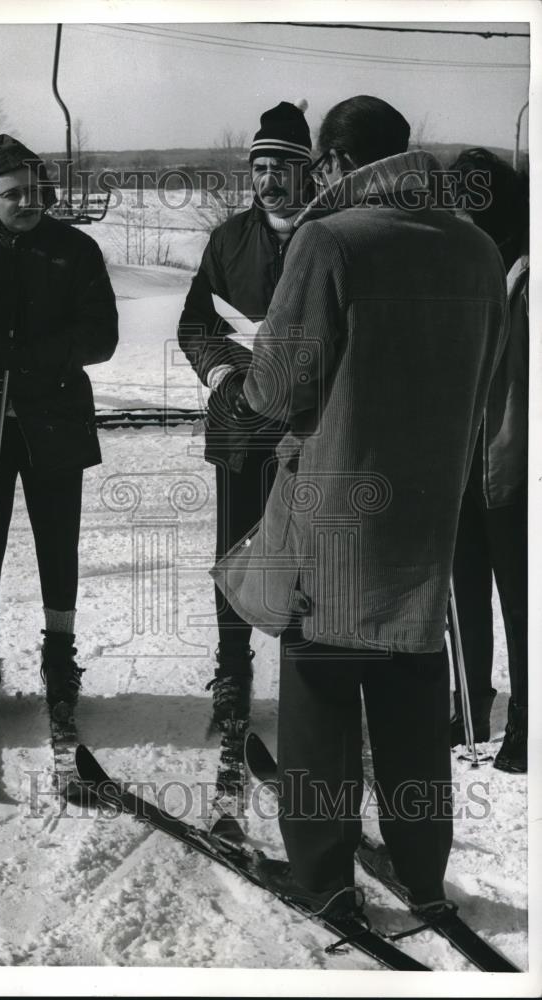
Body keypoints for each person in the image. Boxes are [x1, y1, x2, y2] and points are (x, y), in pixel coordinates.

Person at [212, 96, 508, 917]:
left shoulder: (329, 240)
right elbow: (486, 383)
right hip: (427, 516)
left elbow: (276, 390)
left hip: (335, 513)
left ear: (336, 166)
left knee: (320, 704)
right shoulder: (477, 249)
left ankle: (321, 879)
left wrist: (239, 376)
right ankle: (420, 873)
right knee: (412, 702)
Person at [0, 134, 118, 718]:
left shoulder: (76, 250)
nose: (27, 201)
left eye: (36, 190)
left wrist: (30, 359)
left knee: (57, 544)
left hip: (56, 420)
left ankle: (59, 654)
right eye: (12, 193)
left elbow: (101, 337)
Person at [177, 102, 312, 727]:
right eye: (259, 167)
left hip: (311, 433)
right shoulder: (228, 240)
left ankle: (308, 676)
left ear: (306, 170)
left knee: (309, 555)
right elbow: (196, 323)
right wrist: (224, 370)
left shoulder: (331, 236)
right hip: (240, 428)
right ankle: (233, 671)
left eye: (281, 165)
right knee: (236, 550)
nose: (268, 179)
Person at [448, 148, 529, 773]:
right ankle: (470, 704)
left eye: (475, 197)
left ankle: (526, 721)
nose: (463, 211)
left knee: (521, 598)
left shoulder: (525, 269)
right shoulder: (459, 266)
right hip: (460, 458)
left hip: (513, 461)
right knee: (465, 591)